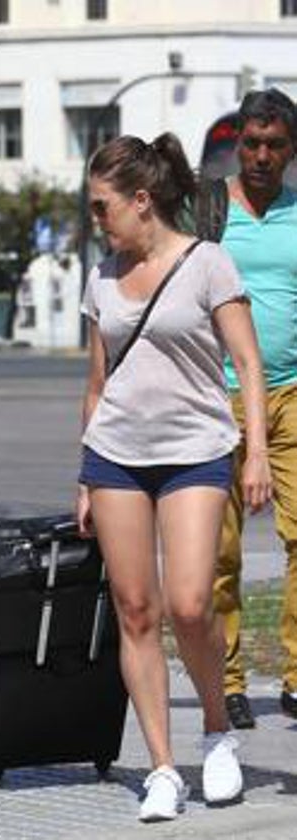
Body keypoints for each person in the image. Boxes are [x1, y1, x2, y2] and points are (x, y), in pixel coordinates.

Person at [76, 133, 271, 822]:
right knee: (136, 611)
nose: (97, 220)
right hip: (116, 457)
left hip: (195, 449)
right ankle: (162, 766)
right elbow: (98, 383)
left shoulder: (208, 264)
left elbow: (247, 363)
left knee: (190, 604)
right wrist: (83, 473)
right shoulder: (101, 276)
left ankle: (217, 731)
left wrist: (254, 454)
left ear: (141, 199)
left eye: (103, 207)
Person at [210, 88, 297, 730]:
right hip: (214, 398)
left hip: (292, 395)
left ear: (291, 150)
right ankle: (228, 678)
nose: (262, 156)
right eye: (252, 143)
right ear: (237, 144)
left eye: (275, 145)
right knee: (218, 553)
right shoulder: (210, 213)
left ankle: (296, 678)